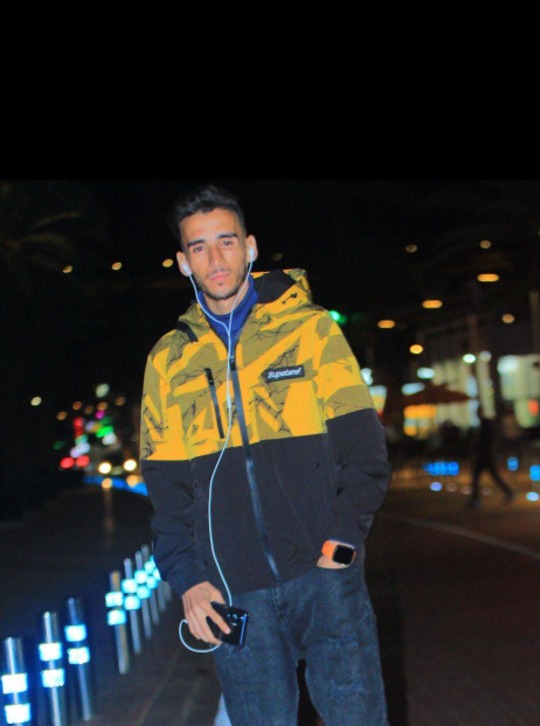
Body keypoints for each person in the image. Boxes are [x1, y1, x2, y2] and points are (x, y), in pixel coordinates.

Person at [139, 184, 391, 725]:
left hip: (325, 579)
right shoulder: (169, 361)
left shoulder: (310, 330)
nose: (216, 259)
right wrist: (189, 580)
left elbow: (365, 449)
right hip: (234, 593)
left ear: (250, 247)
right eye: (199, 247)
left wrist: (342, 542)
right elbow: (166, 490)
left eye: (226, 241)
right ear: (183, 262)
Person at [469, 406, 515, 508]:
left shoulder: (485, 424)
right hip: (485, 455)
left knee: (486, 477)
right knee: (481, 477)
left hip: (485, 455)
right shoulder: (484, 424)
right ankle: (475, 499)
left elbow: (486, 440)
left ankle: (475, 499)